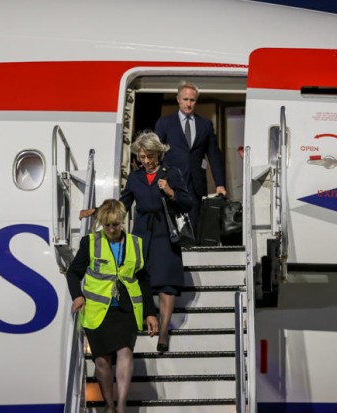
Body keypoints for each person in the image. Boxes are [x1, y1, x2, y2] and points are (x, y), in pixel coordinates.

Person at [66, 199, 158, 413]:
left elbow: (143, 279)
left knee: (125, 351)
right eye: (107, 225)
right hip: (98, 311)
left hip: (126, 309)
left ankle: (122, 404)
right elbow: (74, 272)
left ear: (122, 221)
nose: (111, 229)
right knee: (101, 361)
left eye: (115, 225)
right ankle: (109, 404)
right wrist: (77, 296)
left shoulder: (136, 243)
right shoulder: (91, 242)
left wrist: (150, 313)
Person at [120, 131, 194, 352]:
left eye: (149, 156)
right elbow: (123, 204)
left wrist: (170, 191)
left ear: (158, 153)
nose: (146, 161)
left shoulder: (171, 173)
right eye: (142, 157)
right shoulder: (135, 177)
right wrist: (100, 212)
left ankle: (163, 332)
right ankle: (145, 318)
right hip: (143, 234)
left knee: (166, 286)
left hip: (165, 234)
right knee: (139, 278)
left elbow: (187, 202)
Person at [154, 80, 227, 231]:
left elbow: (214, 154)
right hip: (171, 184)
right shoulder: (164, 123)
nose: (188, 104)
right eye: (185, 99)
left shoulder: (205, 124)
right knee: (171, 228)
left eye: (192, 100)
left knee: (193, 228)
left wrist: (220, 183)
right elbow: (156, 153)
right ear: (178, 99)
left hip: (195, 185)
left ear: (196, 101)